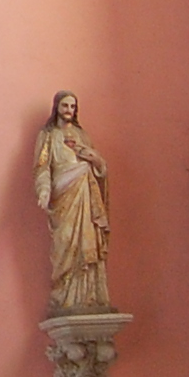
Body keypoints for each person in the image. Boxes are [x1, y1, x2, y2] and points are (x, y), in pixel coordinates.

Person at [33, 91, 113, 315]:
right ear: (57, 107)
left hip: (85, 194)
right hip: (63, 195)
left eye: (72, 106)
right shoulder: (48, 135)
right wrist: (44, 190)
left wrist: (94, 159)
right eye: (65, 105)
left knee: (86, 242)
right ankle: (65, 295)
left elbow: (99, 167)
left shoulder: (82, 135)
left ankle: (89, 296)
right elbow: (42, 168)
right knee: (66, 241)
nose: (69, 110)